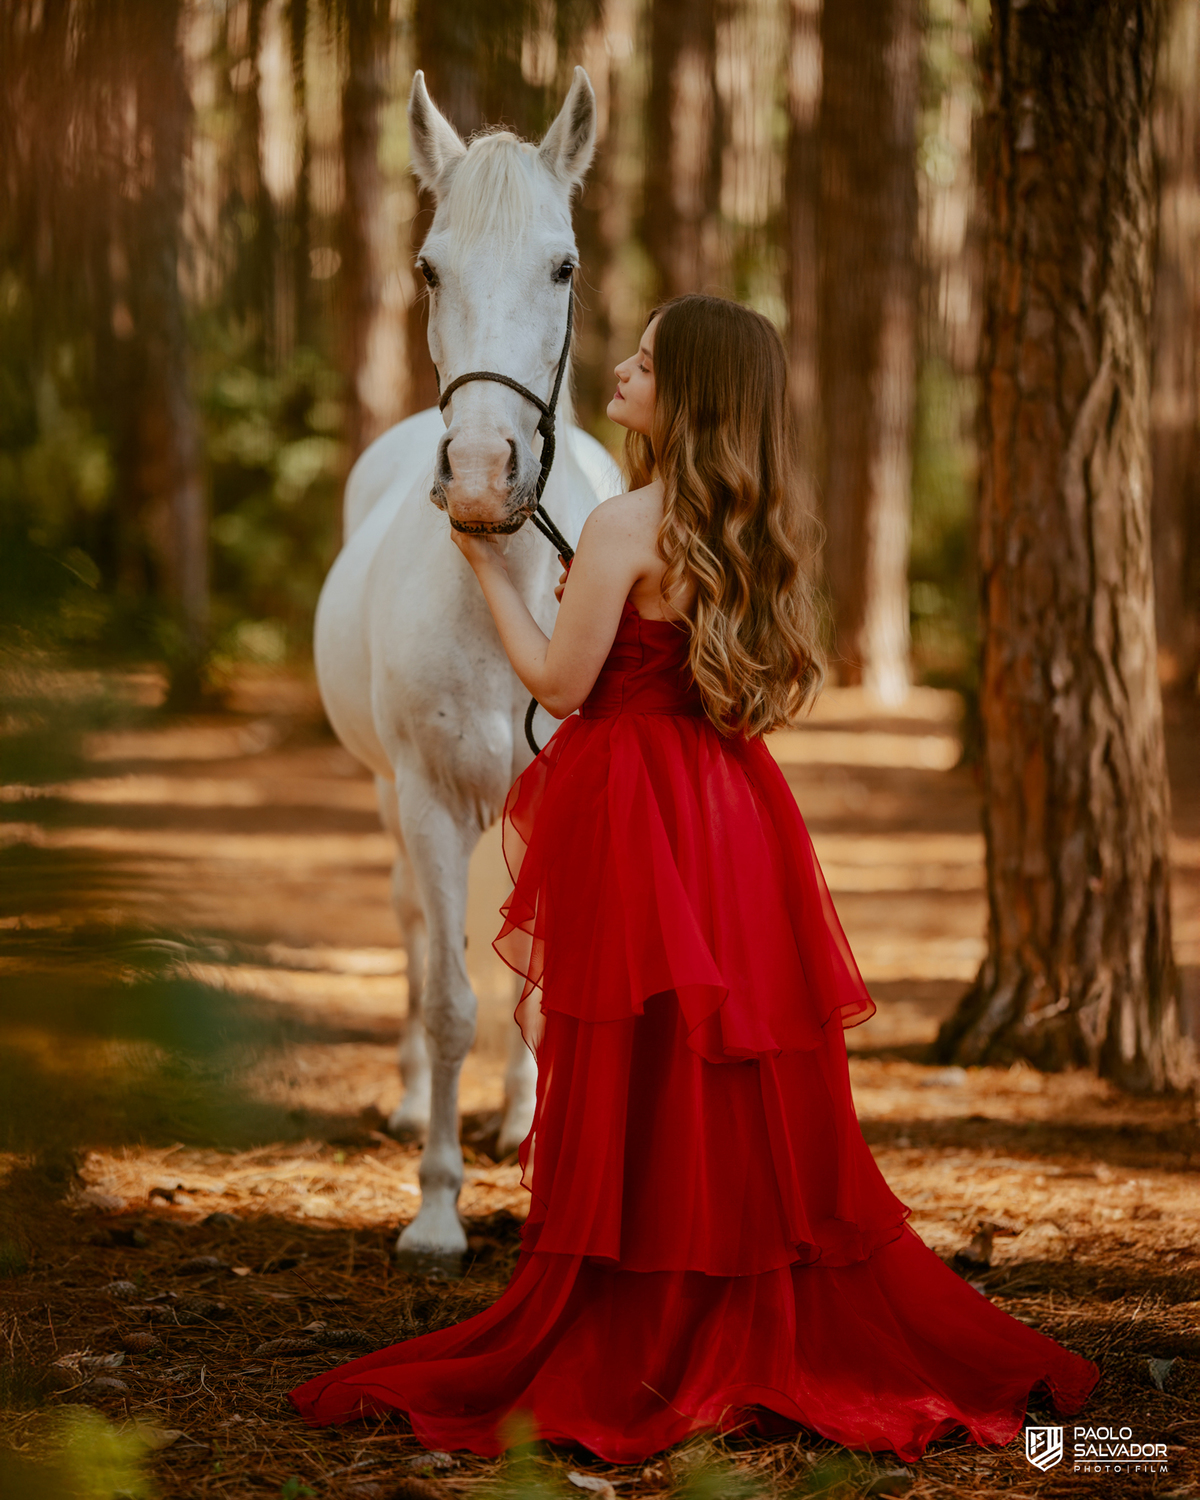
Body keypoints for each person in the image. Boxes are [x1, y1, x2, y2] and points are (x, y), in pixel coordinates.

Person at [290, 293, 1099, 1464]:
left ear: (691, 395)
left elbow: (561, 690)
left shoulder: (624, 525)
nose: (619, 368)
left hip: (634, 809)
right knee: (730, 1062)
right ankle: (736, 1289)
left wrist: (482, 567)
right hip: (730, 807)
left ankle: (652, 1313)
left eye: (647, 362)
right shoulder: (751, 521)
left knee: (641, 1052)